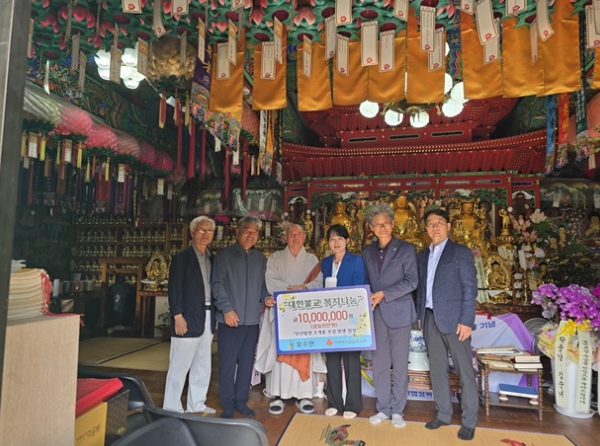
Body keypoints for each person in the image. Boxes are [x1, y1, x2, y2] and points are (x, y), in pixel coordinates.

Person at [416, 207, 479, 441]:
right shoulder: (422, 255)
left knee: (464, 371)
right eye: (430, 223)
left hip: (455, 321)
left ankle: (469, 421)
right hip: (430, 318)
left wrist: (467, 320)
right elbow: (421, 289)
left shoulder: (460, 252)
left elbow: (470, 288)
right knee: (437, 369)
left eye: (439, 222)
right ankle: (443, 414)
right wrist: (420, 316)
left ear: (448, 226)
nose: (435, 227)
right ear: (426, 228)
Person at [256, 224, 325, 415]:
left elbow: (318, 282)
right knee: (280, 352)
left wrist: (303, 288)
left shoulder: (312, 259)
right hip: (282, 311)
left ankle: (304, 395)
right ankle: (278, 394)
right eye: (292, 234)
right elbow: (270, 280)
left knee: (303, 351)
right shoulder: (276, 258)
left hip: (303, 315)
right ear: (286, 237)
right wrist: (290, 290)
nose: (295, 237)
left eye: (299, 234)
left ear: (304, 237)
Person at [361, 202, 418, 428]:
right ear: (371, 228)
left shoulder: (406, 249)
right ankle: (383, 408)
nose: (382, 227)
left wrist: (384, 294)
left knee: (400, 364)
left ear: (393, 225)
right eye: (377, 224)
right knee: (380, 364)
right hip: (376, 314)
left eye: (386, 223)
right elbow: (366, 281)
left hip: (400, 312)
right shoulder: (367, 251)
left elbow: (412, 281)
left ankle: (398, 411)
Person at [212, 216, 274, 418]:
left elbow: (262, 286)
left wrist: (265, 298)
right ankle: (227, 404)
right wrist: (227, 309)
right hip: (230, 320)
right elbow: (217, 284)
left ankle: (241, 400)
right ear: (237, 231)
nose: (251, 234)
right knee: (228, 364)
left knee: (247, 363)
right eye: (247, 230)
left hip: (252, 321)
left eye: (255, 231)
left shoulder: (260, 259)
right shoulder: (224, 255)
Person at [163, 216, 217, 414]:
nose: (205, 233)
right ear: (192, 232)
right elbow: (174, 288)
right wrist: (178, 316)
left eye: (209, 230)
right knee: (179, 364)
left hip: (208, 316)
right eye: (201, 230)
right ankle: (171, 407)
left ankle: (197, 404)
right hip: (187, 316)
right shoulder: (182, 257)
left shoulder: (213, 258)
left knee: (203, 364)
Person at [320, 224, 366, 418]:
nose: (336, 242)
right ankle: (334, 402)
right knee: (332, 360)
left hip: (351, 318)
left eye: (340, 238)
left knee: (351, 361)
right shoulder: (325, 263)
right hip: (330, 319)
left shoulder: (356, 261)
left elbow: (359, 288)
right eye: (332, 239)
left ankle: (352, 405)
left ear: (347, 241)